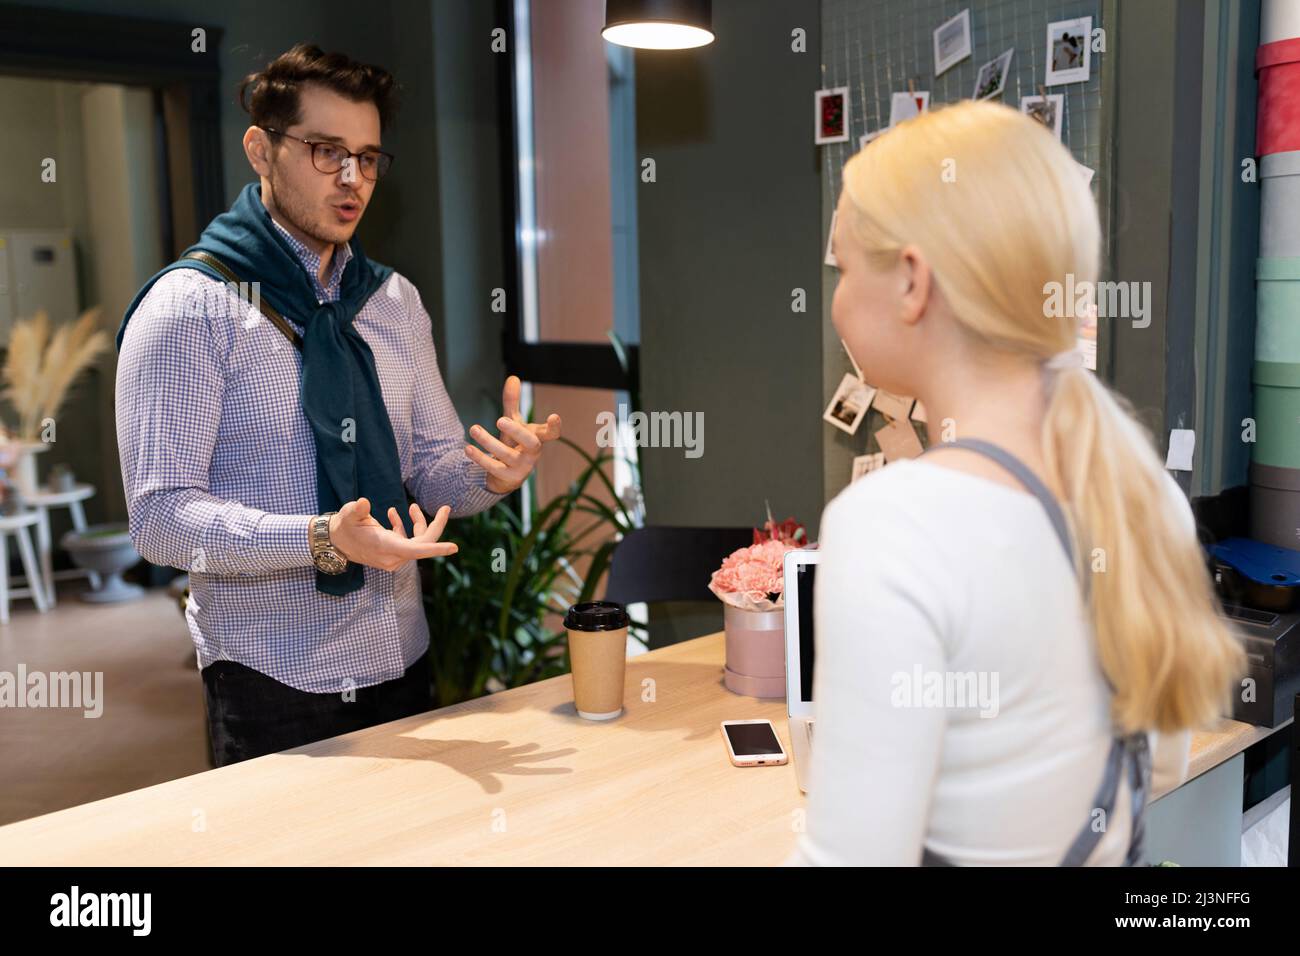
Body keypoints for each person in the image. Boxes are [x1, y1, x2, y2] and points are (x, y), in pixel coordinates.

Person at [787, 100, 1243, 866]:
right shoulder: (1141, 492)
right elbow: (1160, 764)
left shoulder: (892, 526)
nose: (833, 298)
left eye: (839, 265)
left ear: (910, 282)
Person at [114, 44, 561, 767]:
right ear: (261, 150)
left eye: (369, 156)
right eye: (326, 152)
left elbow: (430, 468)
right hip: (271, 681)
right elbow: (161, 521)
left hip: (405, 658)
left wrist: (493, 476)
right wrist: (321, 538)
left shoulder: (392, 301)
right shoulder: (188, 310)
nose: (353, 180)